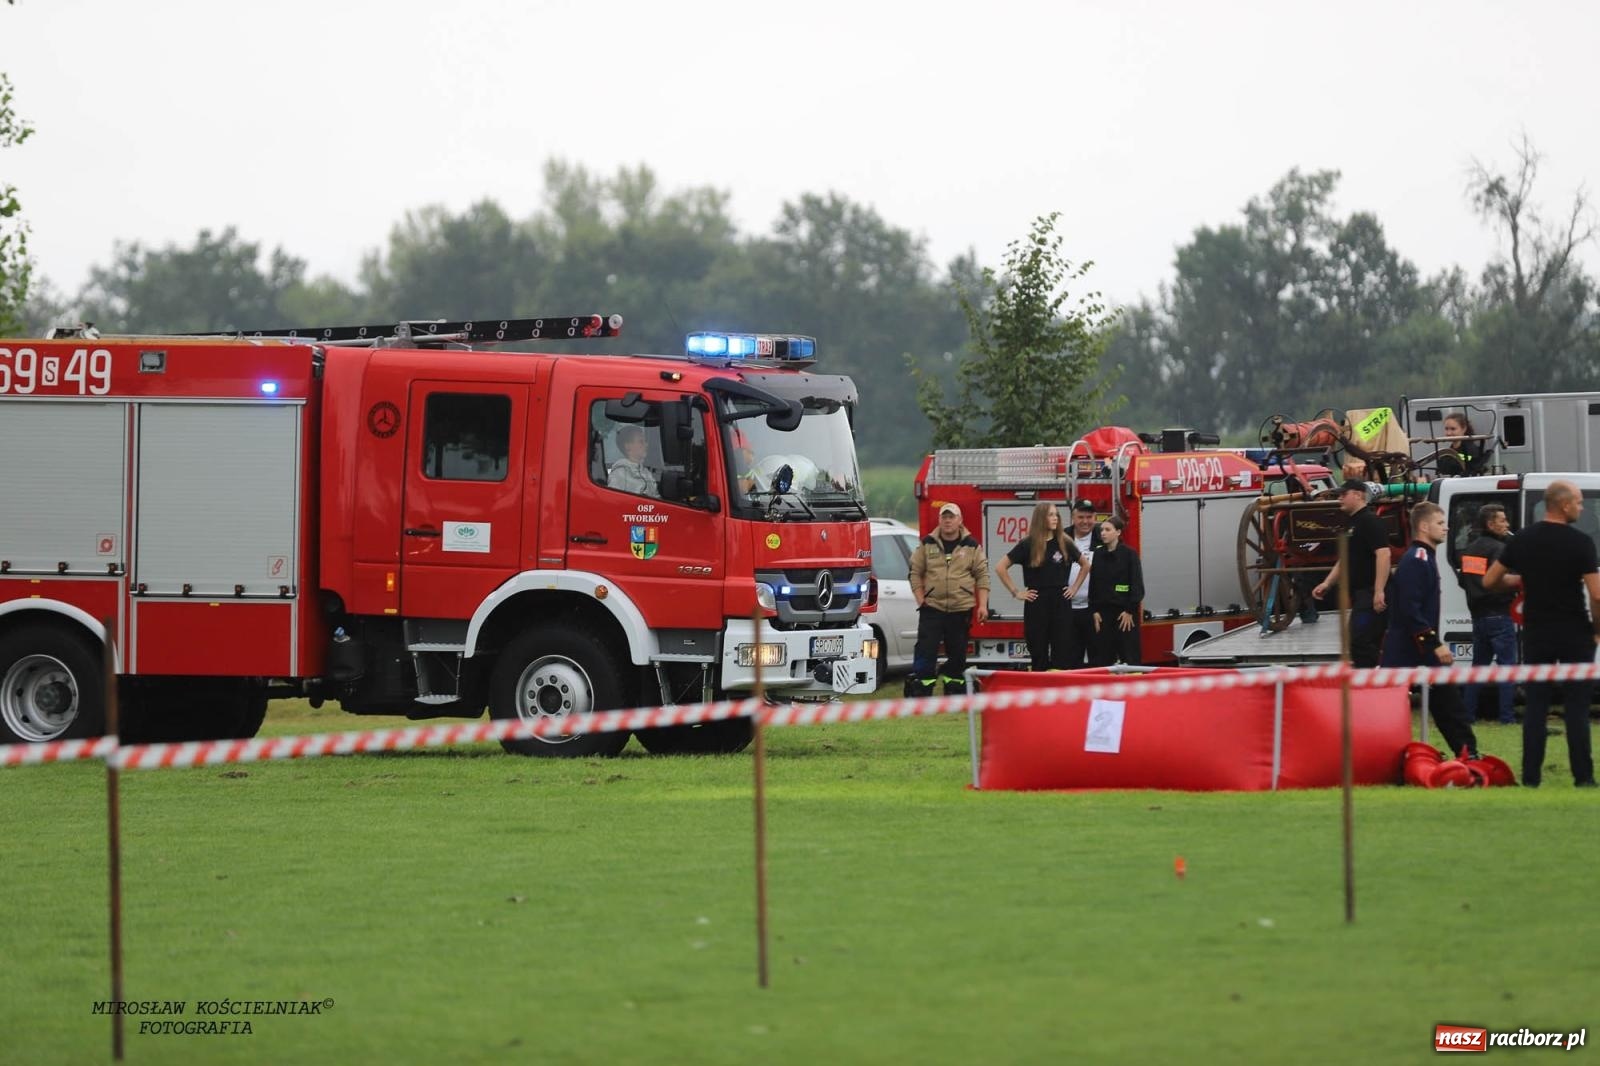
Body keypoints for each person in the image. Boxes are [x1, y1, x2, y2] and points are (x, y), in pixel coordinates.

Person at [1484, 480, 1600, 788]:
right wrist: (1598, 631)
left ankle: (1531, 777)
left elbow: (1490, 581)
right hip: (1575, 632)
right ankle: (1584, 777)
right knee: (1576, 707)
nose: (1581, 507)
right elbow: (1597, 594)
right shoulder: (1581, 543)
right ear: (1563, 505)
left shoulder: (1523, 539)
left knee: (1536, 704)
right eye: (1577, 502)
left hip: (1537, 632)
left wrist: (1520, 581)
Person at [1382, 502, 1479, 758]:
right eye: (1439, 523)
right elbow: (1409, 610)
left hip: (1417, 649)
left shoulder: (1425, 557)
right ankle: (1466, 753)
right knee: (1393, 711)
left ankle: (1467, 753)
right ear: (1424, 527)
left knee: (1448, 704)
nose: (1446, 527)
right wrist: (1434, 644)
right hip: (1409, 650)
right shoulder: (1417, 560)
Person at [907, 502, 991, 697]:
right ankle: (922, 690)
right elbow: (914, 572)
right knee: (925, 651)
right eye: (944, 517)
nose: (947, 521)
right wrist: (920, 599)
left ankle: (955, 690)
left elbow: (982, 576)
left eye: (951, 517)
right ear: (939, 520)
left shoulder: (971, 545)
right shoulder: (927, 544)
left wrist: (983, 605)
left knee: (958, 653)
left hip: (960, 608)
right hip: (932, 608)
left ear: (959, 520)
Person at [994, 502, 1089, 672]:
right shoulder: (1027, 544)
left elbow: (1085, 565)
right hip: (1036, 601)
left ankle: (1060, 690)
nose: (1055, 518)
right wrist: (1016, 592)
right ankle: (1040, 685)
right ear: (1041, 518)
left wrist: (1074, 588)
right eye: (1051, 515)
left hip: (1061, 601)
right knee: (1038, 650)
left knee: (1062, 651)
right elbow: (1000, 567)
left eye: (1056, 515)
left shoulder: (1064, 542)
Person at [1311, 480, 1392, 668]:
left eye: (1343, 494)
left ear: (1358, 495)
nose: (1339, 498)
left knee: (1360, 639)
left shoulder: (1370, 521)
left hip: (1371, 592)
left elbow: (1384, 554)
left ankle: (1375, 682)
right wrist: (1327, 583)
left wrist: (1379, 591)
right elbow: (1346, 558)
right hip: (1360, 594)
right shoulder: (1351, 523)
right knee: (1356, 640)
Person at [1457, 503, 1520, 724]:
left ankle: (1467, 714)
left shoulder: (1470, 549)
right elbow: (1500, 582)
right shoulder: (1498, 549)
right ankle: (1507, 717)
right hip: (1500, 615)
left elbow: (1466, 582)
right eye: (1503, 520)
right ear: (1490, 523)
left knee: (1477, 669)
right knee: (1507, 668)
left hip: (1478, 617)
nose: (1507, 524)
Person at [1088, 515, 1143, 666]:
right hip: (1104, 614)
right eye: (1102, 530)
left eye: (1107, 530)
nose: (1103, 533)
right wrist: (1094, 610)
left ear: (1118, 532)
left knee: (1129, 656)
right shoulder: (1098, 554)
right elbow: (1093, 584)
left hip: (1124, 614)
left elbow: (1137, 585)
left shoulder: (1129, 554)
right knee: (1103, 657)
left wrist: (1129, 610)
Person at [1065, 499, 1103, 667]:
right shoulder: (1062, 537)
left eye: (1090, 517)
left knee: (1098, 658)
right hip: (1067, 610)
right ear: (1073, 517)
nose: (1086, 522)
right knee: (1071, 658)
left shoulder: (1103, 537)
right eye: (1081, 517)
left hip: (1093, 611)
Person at [607, 425, 659, 497]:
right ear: (628, 446)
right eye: (641, 441)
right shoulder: (619, 474)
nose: (646, 445)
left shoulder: (647, 473)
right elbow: (614, 501)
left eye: (645, 441)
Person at [1440, 411, 1490, 476]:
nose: (1448, 433)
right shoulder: (1450, 449)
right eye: (1446, 429)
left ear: (1464, 429)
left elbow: (1471, 466)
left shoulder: (1471, 449)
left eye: (1453, 429)